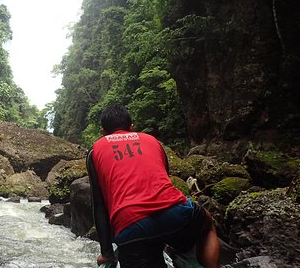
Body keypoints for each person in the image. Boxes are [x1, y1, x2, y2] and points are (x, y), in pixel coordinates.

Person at [86, 102, 220, 268]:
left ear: (103, 133)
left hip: (130, 226)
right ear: (132, 127)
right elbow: (164, 180)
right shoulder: (152, 140)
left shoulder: (96, 150)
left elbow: (99, 205)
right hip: (175, 213)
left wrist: (106, 253)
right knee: (207, 226)